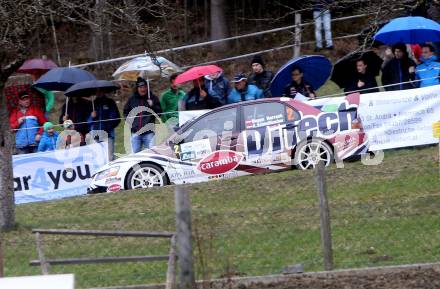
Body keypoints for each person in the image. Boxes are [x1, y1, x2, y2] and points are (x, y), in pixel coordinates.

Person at [123, 77, 162, 153]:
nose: (142, 89)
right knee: (135, 157)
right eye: (140, 87)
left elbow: (159, 114)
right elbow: (125, 112)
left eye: (144, 87)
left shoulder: (153, 98)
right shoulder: (132, 99)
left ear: (147, 87)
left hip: (149, 133)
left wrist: (152, 105)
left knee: (152, 155)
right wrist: (131, 122)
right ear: (137, 88)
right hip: (135, 133)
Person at [88, 88, 121, 160]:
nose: (98, 92)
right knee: (97, 159)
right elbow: (88, 122)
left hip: (108, 135)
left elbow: (116, 119)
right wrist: (91, 116)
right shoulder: (92, 104)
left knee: (110, 158)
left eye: (100, 90)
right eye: (97, 91)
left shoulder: (110, 102)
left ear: (104, 91)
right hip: (95, 136)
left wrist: (107, 127)